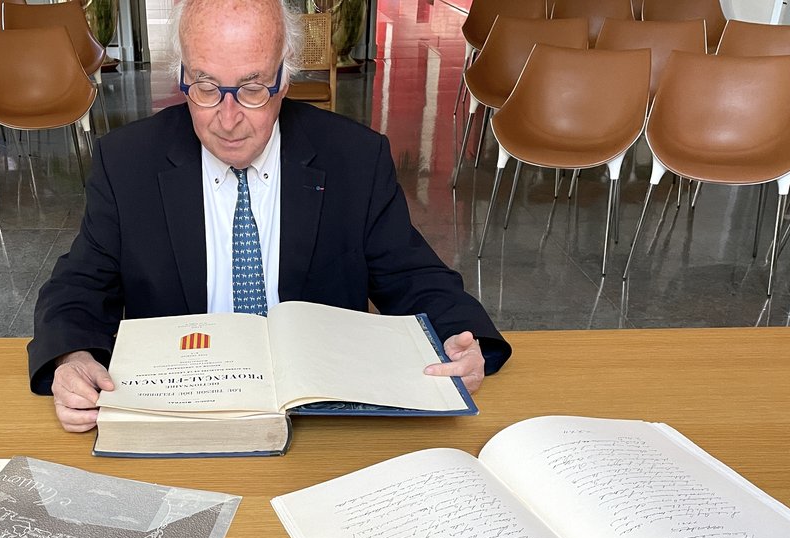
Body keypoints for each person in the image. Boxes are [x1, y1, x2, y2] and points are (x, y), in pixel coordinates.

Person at [28, 0, 511, 432]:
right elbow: (79, 285)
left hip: (321, 421)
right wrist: (72, 356)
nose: (229, 117)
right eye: (206, 86)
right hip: (183, 416)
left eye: (254, 88)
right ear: (182, 76)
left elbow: (412, 274)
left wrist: (461, 339)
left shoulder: (354, 158)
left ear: (286, 76)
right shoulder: (128, 161)